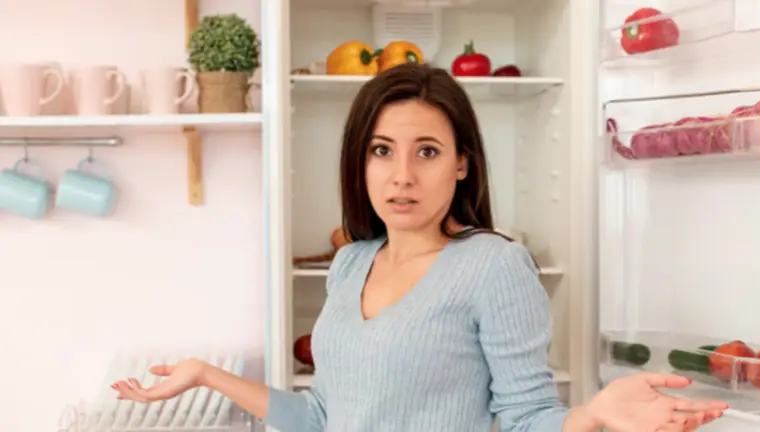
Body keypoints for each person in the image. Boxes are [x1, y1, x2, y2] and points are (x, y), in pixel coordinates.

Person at [112, 64, 728, 431]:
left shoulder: (494, 265)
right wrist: (206, 375)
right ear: (361, 161)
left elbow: (526, 417)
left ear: (461, 163)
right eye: (382, 151)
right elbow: (322, 418)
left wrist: (591, 414)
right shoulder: (351, 263)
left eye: (426, 152)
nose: (402, 176)